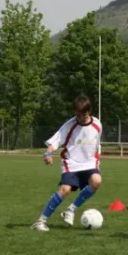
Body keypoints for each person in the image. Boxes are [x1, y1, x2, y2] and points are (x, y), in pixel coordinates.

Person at [31, 95, 102, 232]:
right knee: (65, 190)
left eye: (84, 115)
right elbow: (56, 140)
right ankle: (41, 221)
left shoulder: (97, 125)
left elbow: (95, 144)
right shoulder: (70, 125)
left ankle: (70, 210)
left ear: (90, 112)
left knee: (97, 181)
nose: (81, 117)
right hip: (71, 162)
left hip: (89, 162)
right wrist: (48, 153)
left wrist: (96, 159)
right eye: (78, 114)